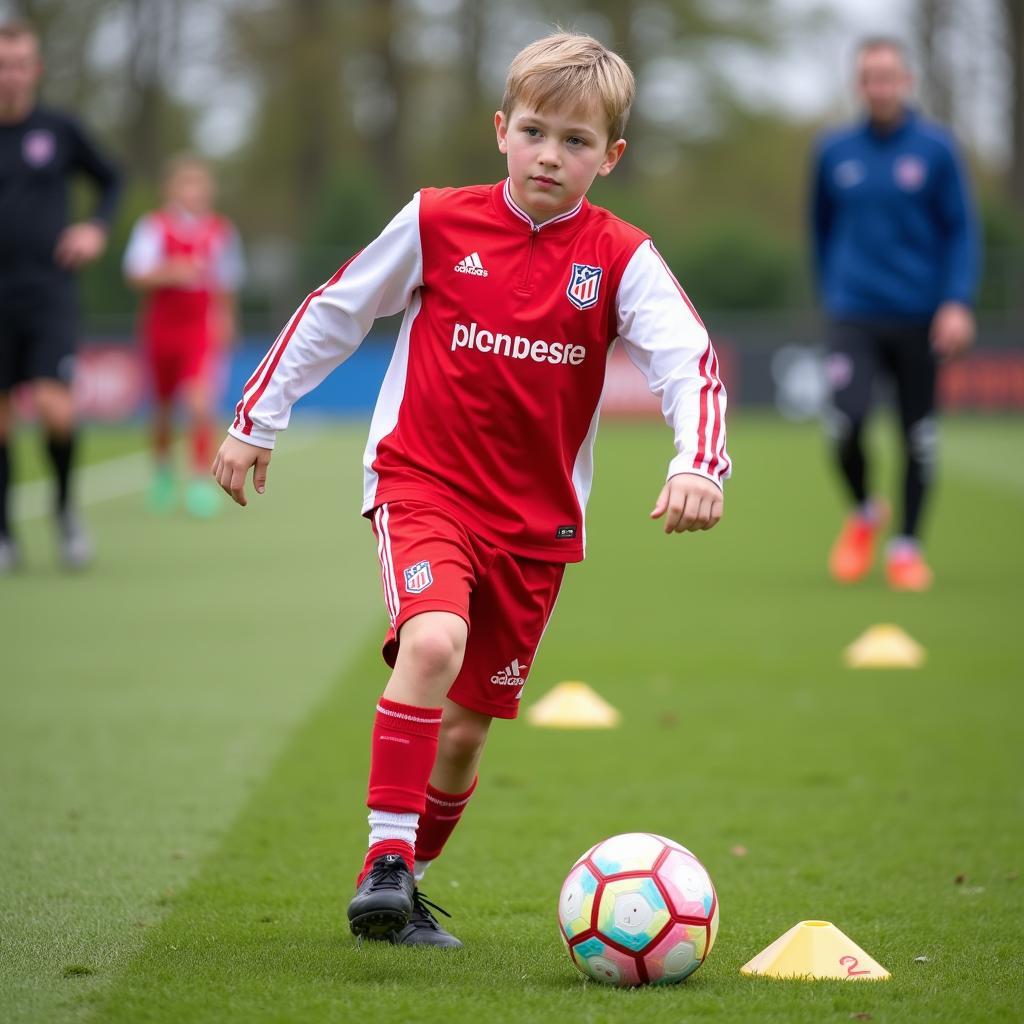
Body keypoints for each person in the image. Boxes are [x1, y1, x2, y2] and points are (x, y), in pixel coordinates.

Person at [213, 32, 729, 948]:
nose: (550, 155)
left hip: (535, 528)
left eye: (576, 142)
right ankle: (387, 861)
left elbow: (686, 358)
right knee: (434, 638)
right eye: (535, 131)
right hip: (425, 482)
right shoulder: (436, 221)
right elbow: (336, 310)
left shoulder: (621, 256)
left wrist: (698, 461)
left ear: (609, 158)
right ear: (501, 131)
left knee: (464, 740)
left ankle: (405, 883)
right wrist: (258, 416)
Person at [810, 36, 979, 591]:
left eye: (889, 76)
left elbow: (961, 231)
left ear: (905, 81)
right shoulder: (833, 151)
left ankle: (907, 546)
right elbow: (821, 229)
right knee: (844, 424)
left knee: (918, 436)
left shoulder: (936, 149)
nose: (879, 87)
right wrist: (832, 291)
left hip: (920, 315)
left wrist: (956, 300)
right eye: (869, 78)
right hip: (855, 313)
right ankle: (864, 513)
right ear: (859, 85)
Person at [0, 20, 121, 572]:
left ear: (36, 69)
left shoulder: (59, 130)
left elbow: (111, 179)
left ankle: (66, 513)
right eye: (4, 65)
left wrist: (94, 227)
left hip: (48, 292)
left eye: (20, 64)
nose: (11, 76)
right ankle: (4, 534)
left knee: (55, 408)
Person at [123, 153, 245, 518]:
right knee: (161, 409)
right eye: (185, 183)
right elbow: (136, 274)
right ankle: (162, 471)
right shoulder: (154, 227)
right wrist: (171, 272)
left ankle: (197, 478)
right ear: (171, 188)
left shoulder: (220, 231)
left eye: (199, 182)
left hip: (198, 331)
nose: (193, 191)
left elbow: (226, 284)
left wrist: (225, 319)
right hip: (161, 329)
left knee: (199, 404)